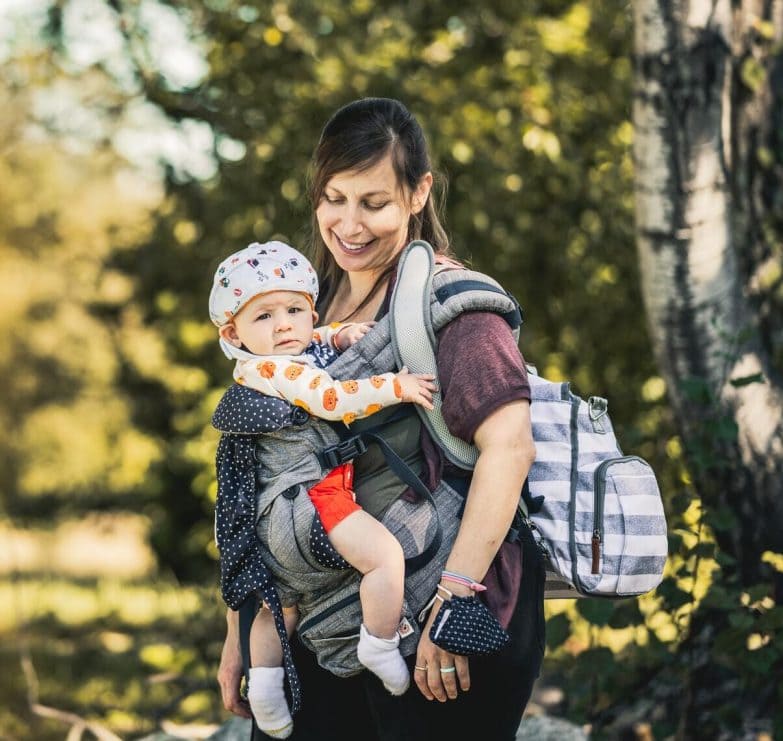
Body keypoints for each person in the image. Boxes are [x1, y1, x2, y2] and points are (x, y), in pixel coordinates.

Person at [216, 97, 544, 741]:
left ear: (418, 193)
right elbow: (254, 473)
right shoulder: (303, 313)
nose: (349, 224)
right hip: (317, 620)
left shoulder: (453, 301)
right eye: (334, 198)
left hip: (440, 615)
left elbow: (511, 448)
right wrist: (241, 632)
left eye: (373, 202)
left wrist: (452, 607)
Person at [209, 240, 438, 737]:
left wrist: (337, 335)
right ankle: (378, 641)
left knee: (281, 606)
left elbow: (311, 343)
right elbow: (332, 398)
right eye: (264, 317)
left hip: (273, 521)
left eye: (295, 309)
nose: (285, 325)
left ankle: (267, 694)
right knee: (384, 558)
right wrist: (394, 387)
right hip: (314, 504)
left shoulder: (261, 364)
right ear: (234, 332)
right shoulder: (278, 369)